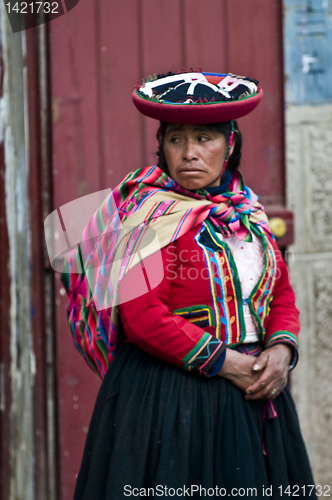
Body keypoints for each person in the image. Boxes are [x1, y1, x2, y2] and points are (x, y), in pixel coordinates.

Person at [62, 71, 316, 499]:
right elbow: (143, 318)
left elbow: (280, 295)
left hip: (252, 394)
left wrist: (281, 349)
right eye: (176, 139)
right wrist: (232, 364)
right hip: (171, 402)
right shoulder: (148, 216)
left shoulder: (246, 214)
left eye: (204, 139)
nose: (189, 153)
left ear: (229, 145)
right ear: (161, 146)